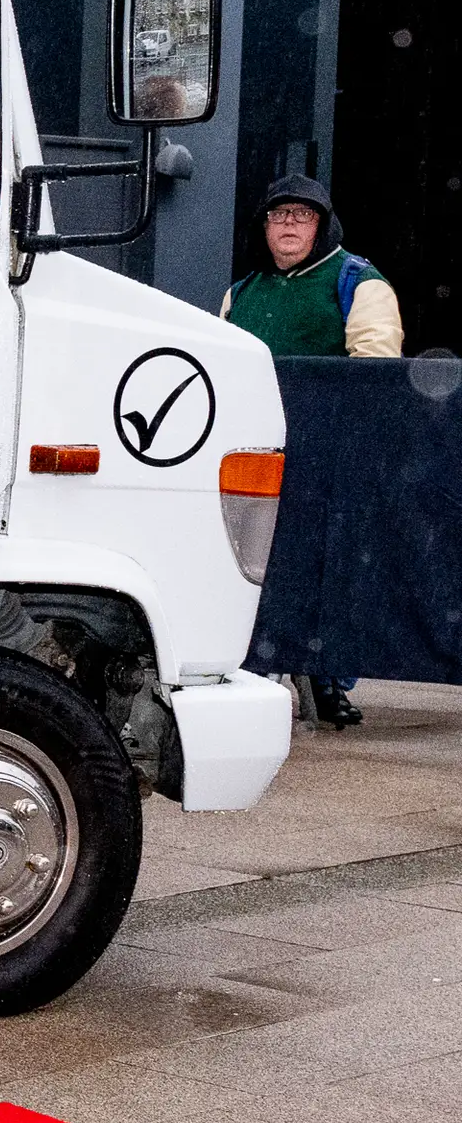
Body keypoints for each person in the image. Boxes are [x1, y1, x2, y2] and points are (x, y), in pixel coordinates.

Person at [221, 172, 400, 730]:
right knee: (256, 561)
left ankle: (328, 678)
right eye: (279, 216)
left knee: (333, 566)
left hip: (330, 458)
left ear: (322, 226)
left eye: (303, 215)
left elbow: (376, 372)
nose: (290, 225)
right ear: (265, 227)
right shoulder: (241, 292)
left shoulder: (358, 282)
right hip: (256, 458)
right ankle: (257, 664)